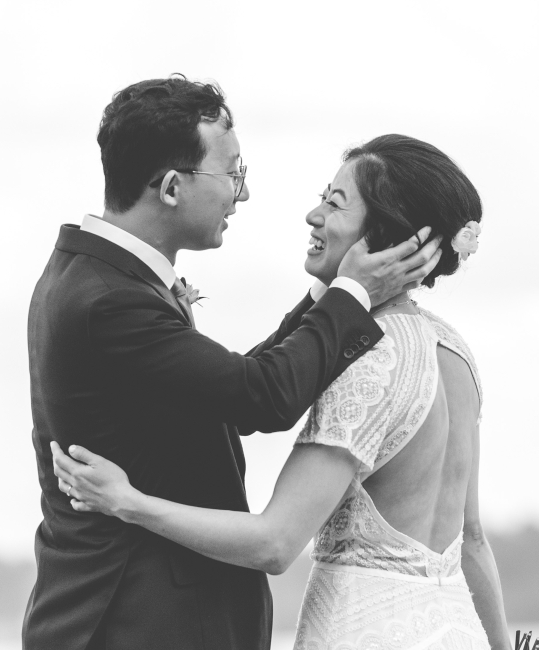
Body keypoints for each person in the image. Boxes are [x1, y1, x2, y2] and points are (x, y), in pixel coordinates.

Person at [23, 76, 442, 650]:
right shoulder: (110, 300)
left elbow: (229, 397)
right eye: (233, 173)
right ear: (172, 186)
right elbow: (259, 398)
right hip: (139, 621)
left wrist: (336, 292)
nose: (241, 195)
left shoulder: (98, 276)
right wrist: (352, 296)